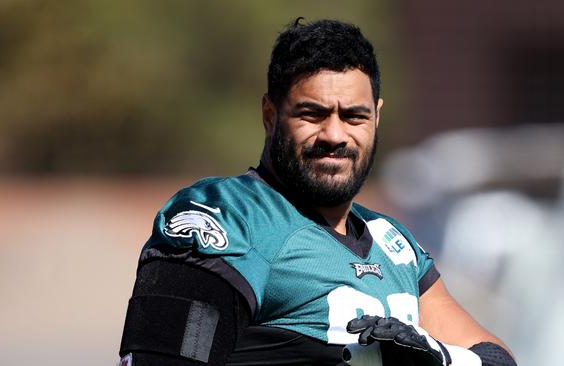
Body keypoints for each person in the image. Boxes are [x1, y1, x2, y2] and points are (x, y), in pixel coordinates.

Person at [119, 18, 516, 366]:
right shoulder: (235, 218)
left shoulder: (393, 242)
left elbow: (494, 354)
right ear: (271, 116)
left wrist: (439, 357)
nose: (334, 134)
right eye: (313, 114)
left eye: (354, 116)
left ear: (377, 116)